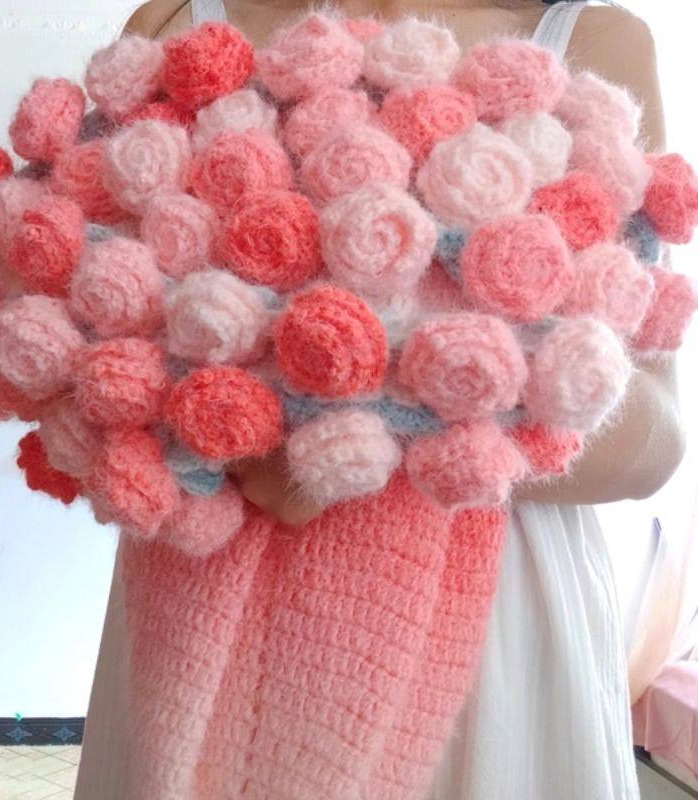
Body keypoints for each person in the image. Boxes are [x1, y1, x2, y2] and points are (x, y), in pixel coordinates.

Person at [74, 2, 685, 799]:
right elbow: (82, 335)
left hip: (491, 641)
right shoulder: (178, 23)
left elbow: (655, 438)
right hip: (196, 613)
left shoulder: (596, 40)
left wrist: (333, 431)